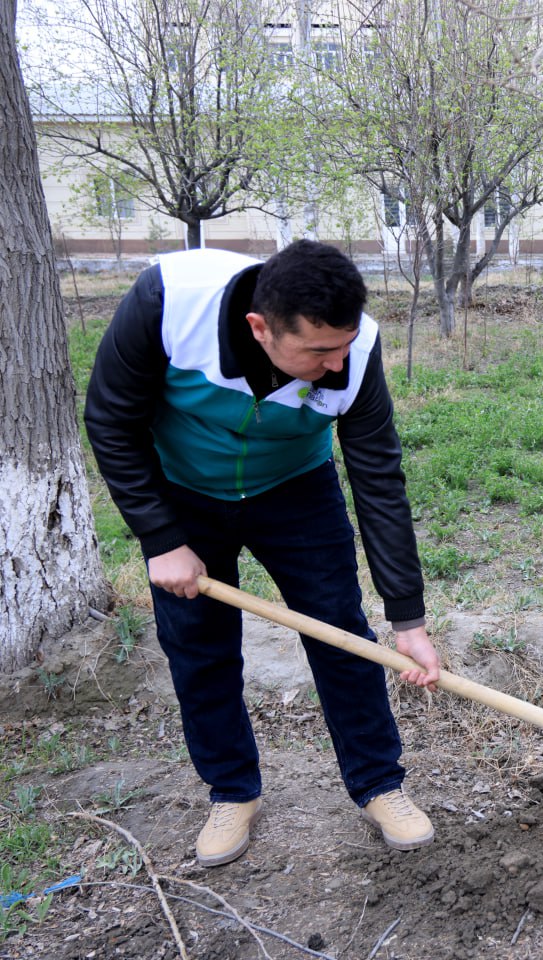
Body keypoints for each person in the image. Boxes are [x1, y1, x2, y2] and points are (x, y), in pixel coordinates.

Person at [85, 239, 442, 866]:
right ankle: (232, 791)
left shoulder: (356, 349)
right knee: (198, 646)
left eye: (343, 346)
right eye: (319, 352)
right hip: (184, 492)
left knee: (340, 633)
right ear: (260, 328)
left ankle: (380, 784)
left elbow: (379, 479)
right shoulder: (170, 301)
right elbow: (111, 419)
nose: (337, 364)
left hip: (295, 489)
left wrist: (407, 618)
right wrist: (162, 539)